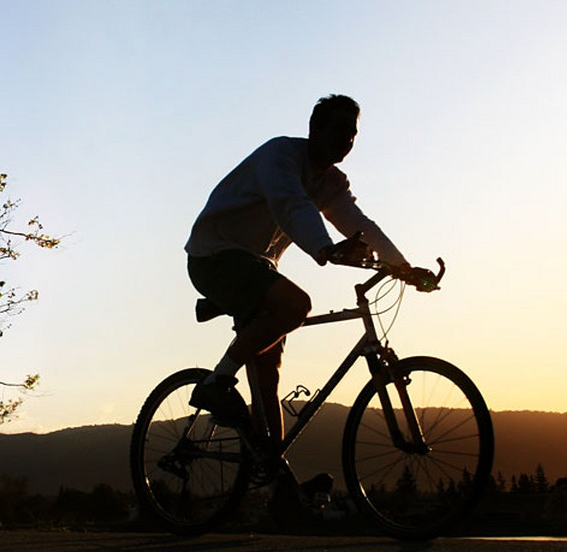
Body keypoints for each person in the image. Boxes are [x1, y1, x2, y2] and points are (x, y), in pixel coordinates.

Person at [185, 94, 437, 445]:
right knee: (296, 305)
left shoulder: (332, 183)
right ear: (314, 129)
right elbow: (292, 204)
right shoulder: (280, 156)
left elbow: (357, 222)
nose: (347, 140)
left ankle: (274, 480)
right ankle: (215, 384)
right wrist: (326, 247)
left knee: (267, 379)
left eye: (353, 134)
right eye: (339, 130)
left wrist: (403, 267)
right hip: (215, 255)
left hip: (257, 268)